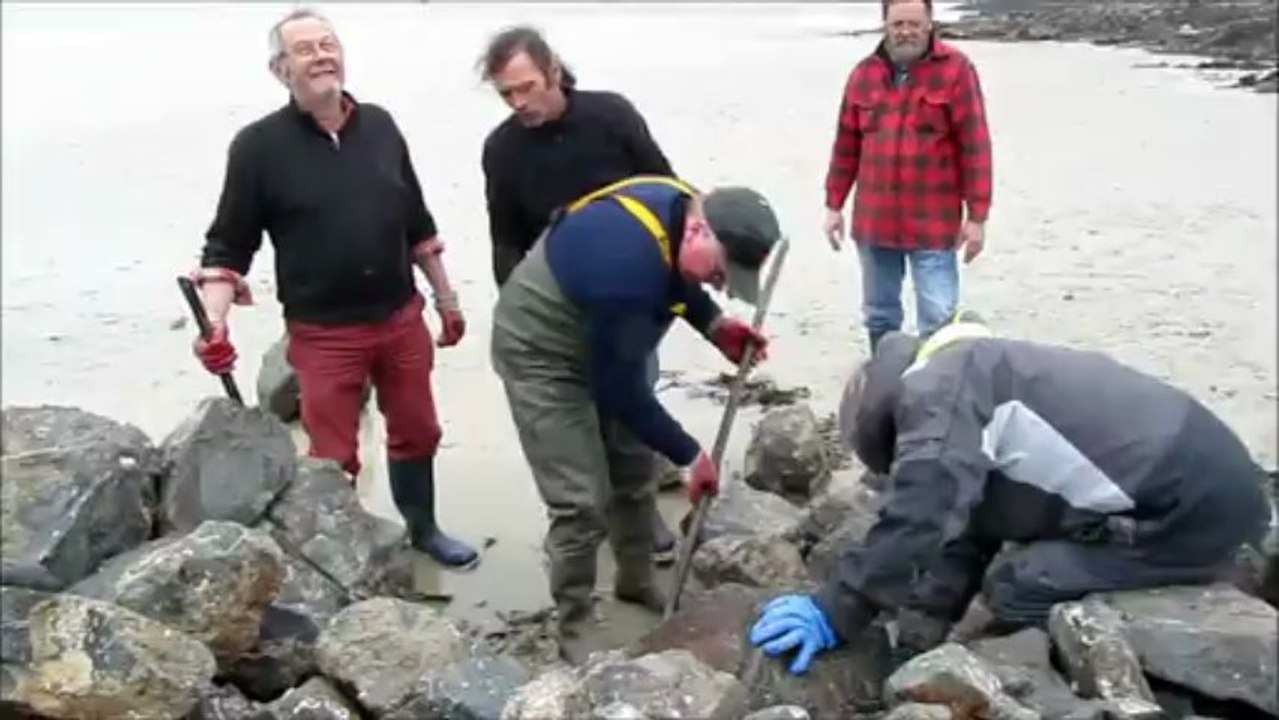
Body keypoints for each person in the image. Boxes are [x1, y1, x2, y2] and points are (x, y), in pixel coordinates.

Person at [749, 319, 1271, 674]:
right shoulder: (981, 374)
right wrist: (916, 643)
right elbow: (968, 530)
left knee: (1018, 586)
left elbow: (922, 512)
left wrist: (836, 609)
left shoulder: (938, 393)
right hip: (1209, 477)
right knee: (1006, 554)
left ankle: (1100, 647)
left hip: (1195, 508)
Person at [189, 8, 479, 570]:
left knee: (418, 430)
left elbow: (417, 222)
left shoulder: (381, 125)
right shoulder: (256, 148)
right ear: (280, 70)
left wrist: (446, 301)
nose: (321, 56)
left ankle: (423, 530)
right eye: (305, 49)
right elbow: (227, 249)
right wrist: (215, 326)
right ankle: (348, 555)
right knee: (333, 456)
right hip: (324, 335)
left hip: (400, 319)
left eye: (328, 44)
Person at [490, 174, 781, 662]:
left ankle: (635, 580)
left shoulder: (681, 209)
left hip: (605, 335)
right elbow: (619, 390)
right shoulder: (624, 267)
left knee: (633, 467)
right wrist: (690, 455)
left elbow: (676, 279)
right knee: (580, 501)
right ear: (698, 233)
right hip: (541, 353)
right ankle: (575, 624)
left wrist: (714, 325)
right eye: (721, 274)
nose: (723, 286)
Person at [477, 25, 684, 564]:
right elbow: (505, 239)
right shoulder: (501, 149)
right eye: (507, 94)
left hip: (629, 299)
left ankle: (638, 519)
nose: (520, 103)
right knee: (574, 425)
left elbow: (669, 191)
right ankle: (584, 534)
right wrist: (515, 306)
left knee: (629, 411)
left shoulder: (611, 116)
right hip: (557, 307)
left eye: (527, 88)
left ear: (553, 71)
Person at [823, 0, 993, 353]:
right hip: (874, 223)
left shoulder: (957, 71)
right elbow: (845, 145)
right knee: (880, 317)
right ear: (884, 24)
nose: (906, 32)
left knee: (940, 321)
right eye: (898, 23)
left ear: (930, 23)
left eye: (914, 24)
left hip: (934, 223)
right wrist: (833, 205)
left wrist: (977, 217)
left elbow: (975, 145)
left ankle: (939, 398)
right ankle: (886, 393)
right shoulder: (862, 75)